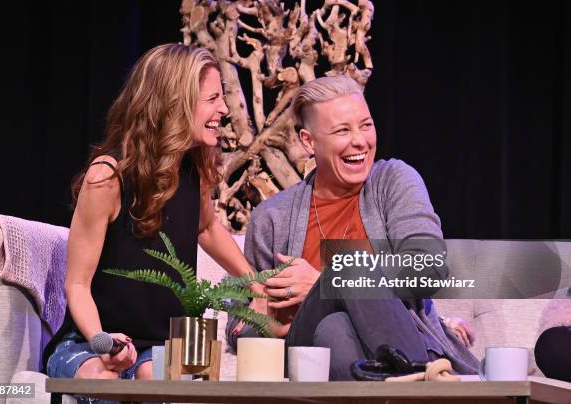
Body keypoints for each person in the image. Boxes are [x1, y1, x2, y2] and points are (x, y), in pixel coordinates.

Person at [44, 44, 267, 387]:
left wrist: (256, 285)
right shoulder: (108, 177)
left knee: (158, 377)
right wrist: (104, 342)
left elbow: (206, 227)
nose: (224, 109)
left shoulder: (194, 169)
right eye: (212, 99)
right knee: (103, 378)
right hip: (95, 343)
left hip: (164, 346)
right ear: (173, 102)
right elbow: (76, 284)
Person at [228, 75, 479, 380]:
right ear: (309, 141)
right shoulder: (272, 218)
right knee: (348, 274)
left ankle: (404, 383)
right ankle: (416, 391)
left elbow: (427, 268)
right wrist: (263, 321)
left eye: (366, 125)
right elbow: (236, 327)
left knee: (336, 325)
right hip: (303, 351)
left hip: (395, 342)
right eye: (342, 130)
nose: (360, 140)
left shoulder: (394, 181)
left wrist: (323, 282)